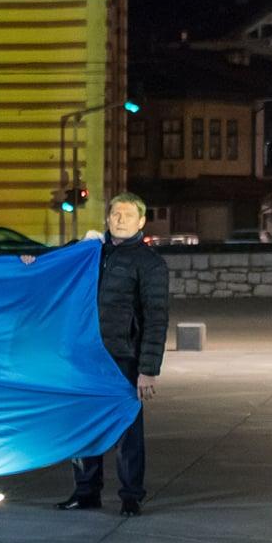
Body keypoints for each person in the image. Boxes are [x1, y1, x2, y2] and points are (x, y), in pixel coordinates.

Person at [58, 193, 169, 518]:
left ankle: (131, 495)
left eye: (128, 215)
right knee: (84, 426)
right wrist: (66, 250)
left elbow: (156, 318)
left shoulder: (149, 263)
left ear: (141, 221)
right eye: (115, 214)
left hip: (124, 357)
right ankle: (86, 491)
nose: (120, 219)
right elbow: (56, 266)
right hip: (86, 356)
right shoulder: (92, 253)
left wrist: (148, 369)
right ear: (107, 219)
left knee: (127, 431)